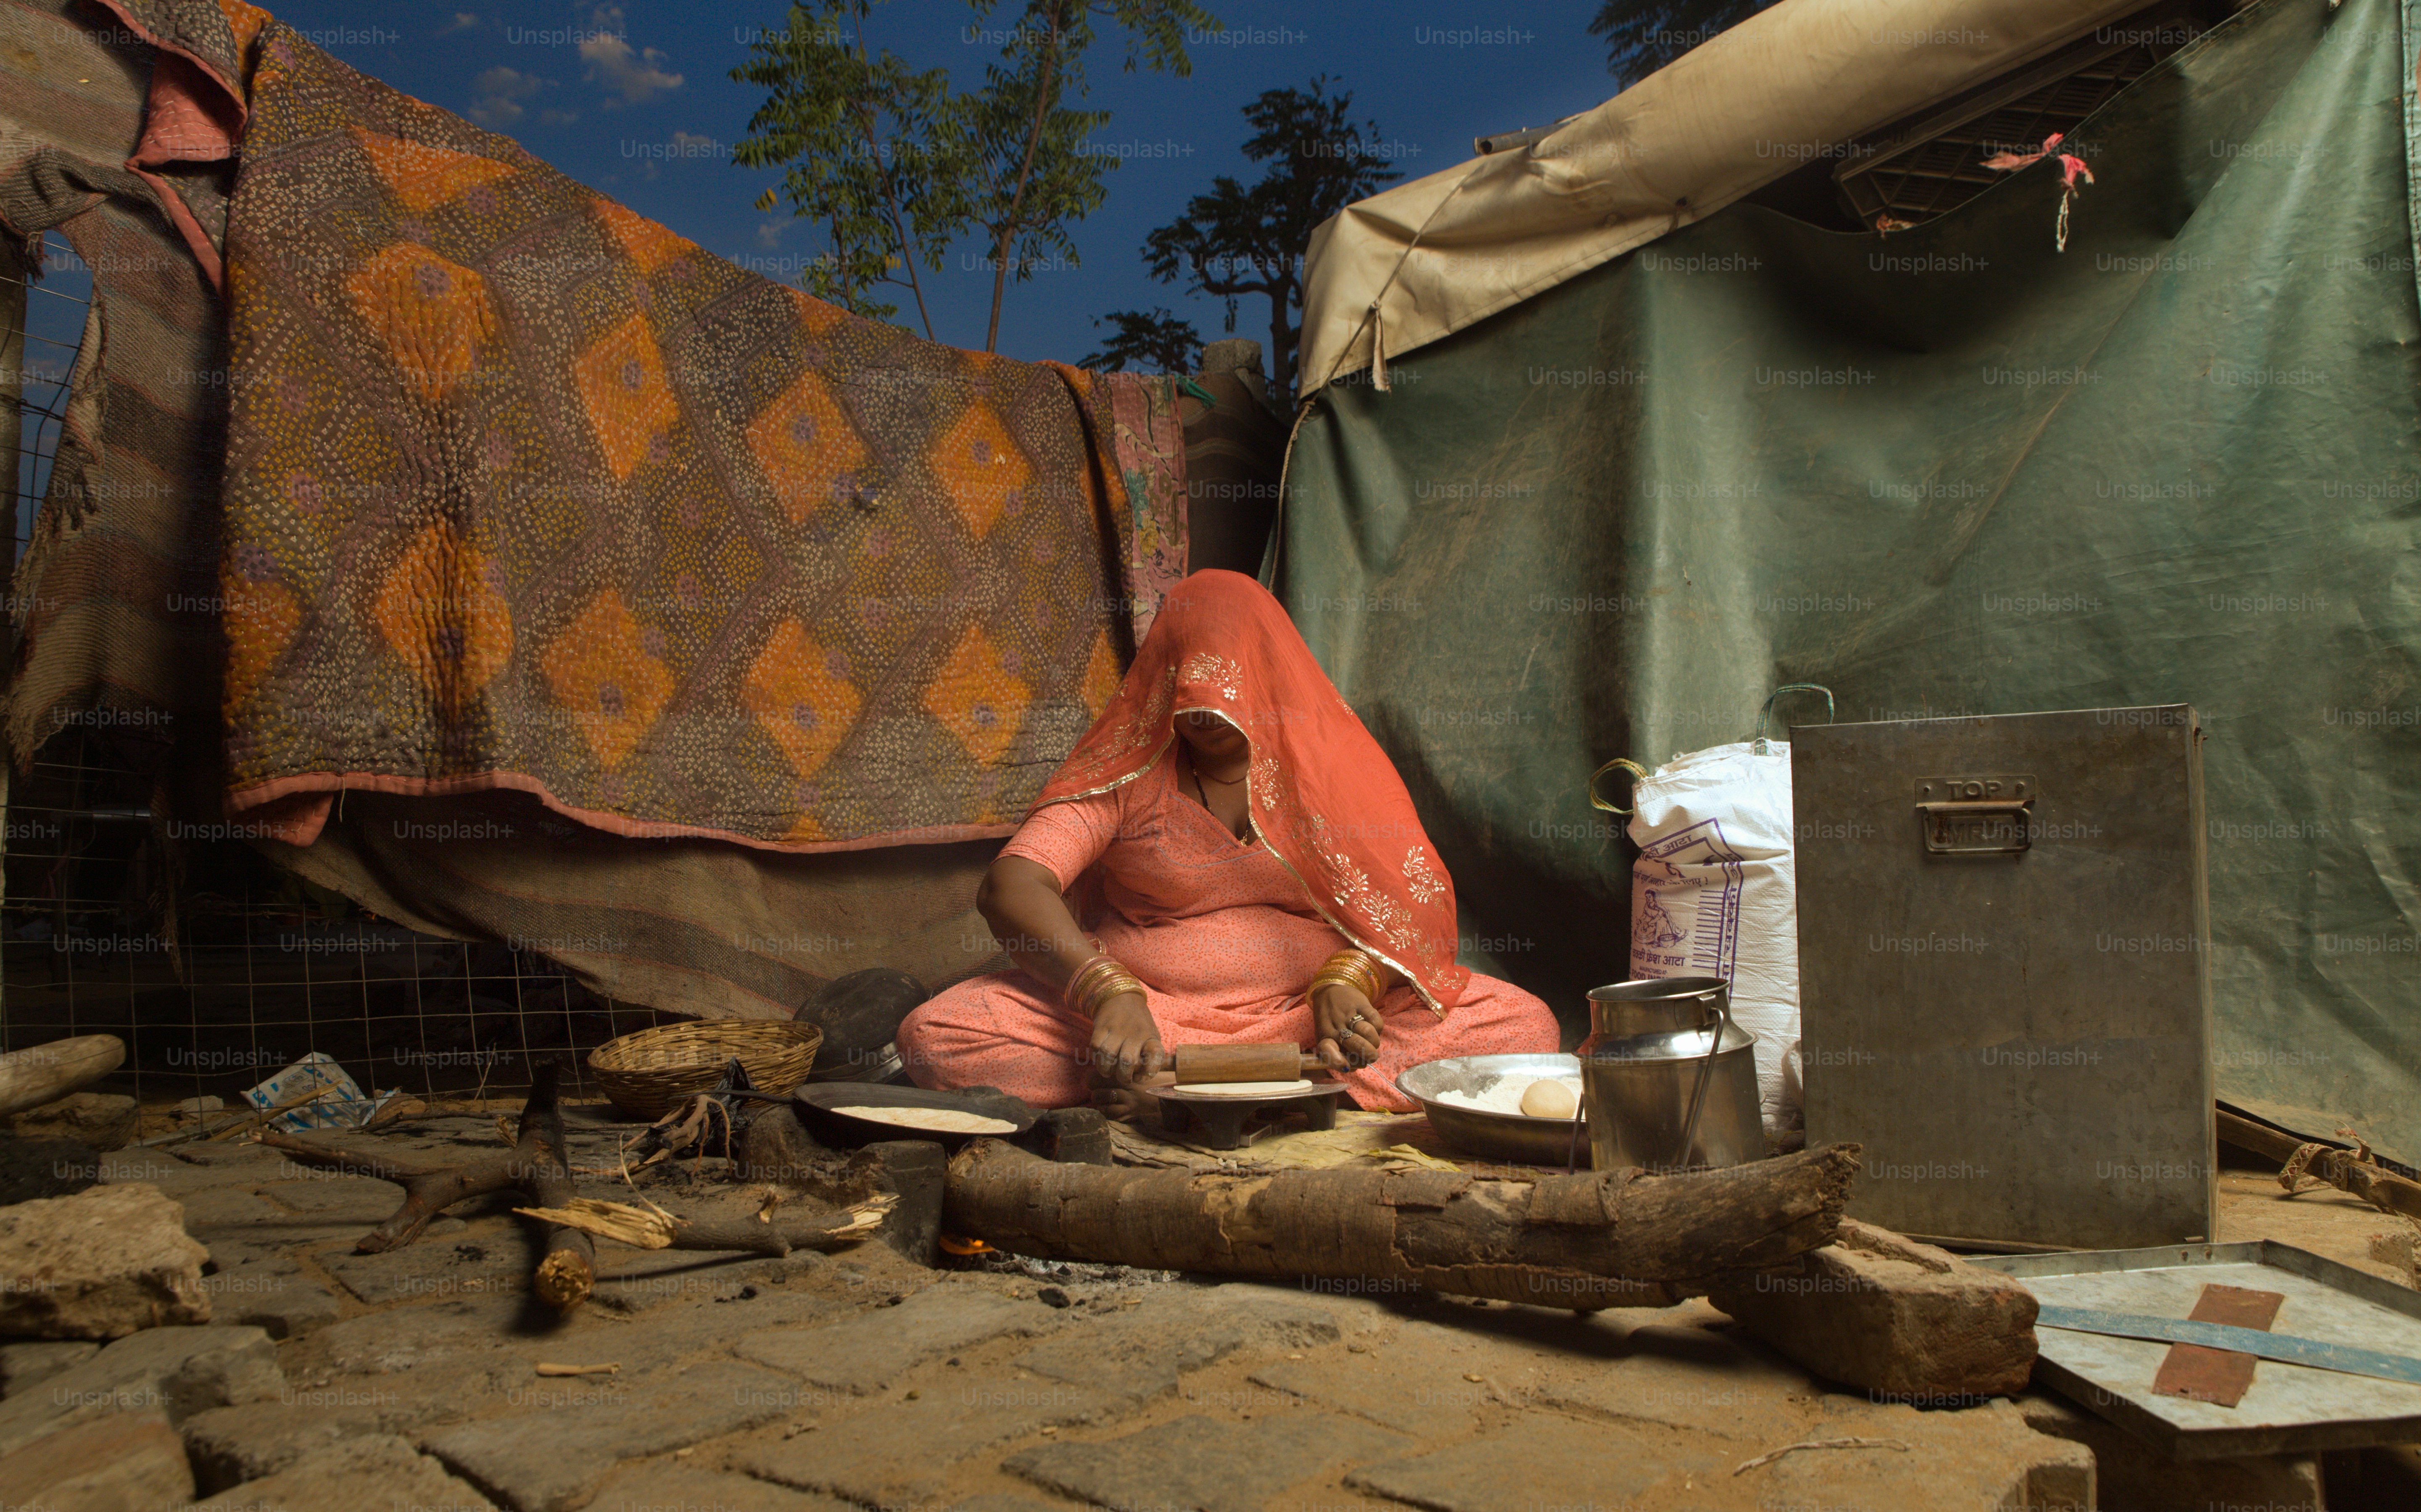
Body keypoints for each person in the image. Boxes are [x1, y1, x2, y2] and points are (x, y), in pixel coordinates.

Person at [897, 569, 1560, 1116]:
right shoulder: (1130, 770)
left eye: (1224, 688)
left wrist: (1352, 978)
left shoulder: (1326, 764)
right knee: (937, 1036)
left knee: (1521, 1026)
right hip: (1153, 1018)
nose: (1204, 711)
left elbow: (1408, 909)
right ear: (1164, 677)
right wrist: (1107, 992)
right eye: (1190, 690)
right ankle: (1289, 1092)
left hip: (1307, 1019)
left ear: (1263, 671)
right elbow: (1011, 884)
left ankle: (1176, 1093)